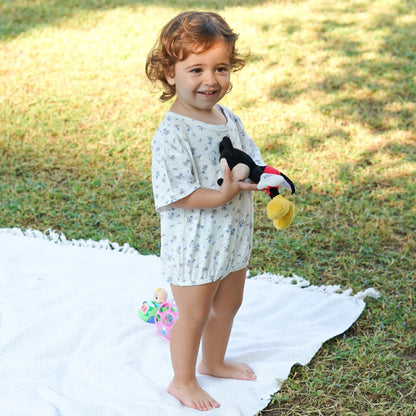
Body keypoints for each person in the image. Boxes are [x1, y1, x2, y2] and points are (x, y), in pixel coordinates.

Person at [146, 11, 264, 411]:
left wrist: (261, 175)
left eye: (221, 68)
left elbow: (248, 153)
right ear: (169, 74)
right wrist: (223, 194)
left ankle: (213, 360)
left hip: (231, 236)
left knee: (228, 305)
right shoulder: (172, 132)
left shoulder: (227, 117)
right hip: (194, 243)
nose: (210, 80)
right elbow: (177, 193)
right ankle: (182, 380)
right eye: (196, 69)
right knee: (193, 314)